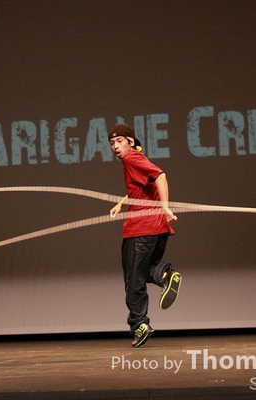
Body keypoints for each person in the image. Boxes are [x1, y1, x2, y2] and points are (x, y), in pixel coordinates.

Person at [108, 123, 182, 348]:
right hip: (157, 229)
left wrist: (166, 206)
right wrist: (121, 203)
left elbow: (160, 176)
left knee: (133, 280)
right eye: (112, 143)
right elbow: (140, 186)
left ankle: (139, 324)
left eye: (119, 141)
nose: (115, 147)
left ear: (130, 142)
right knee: (142, 271)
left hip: (140, 229)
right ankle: (165, 275)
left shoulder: (132, 158)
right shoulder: (136, 159)